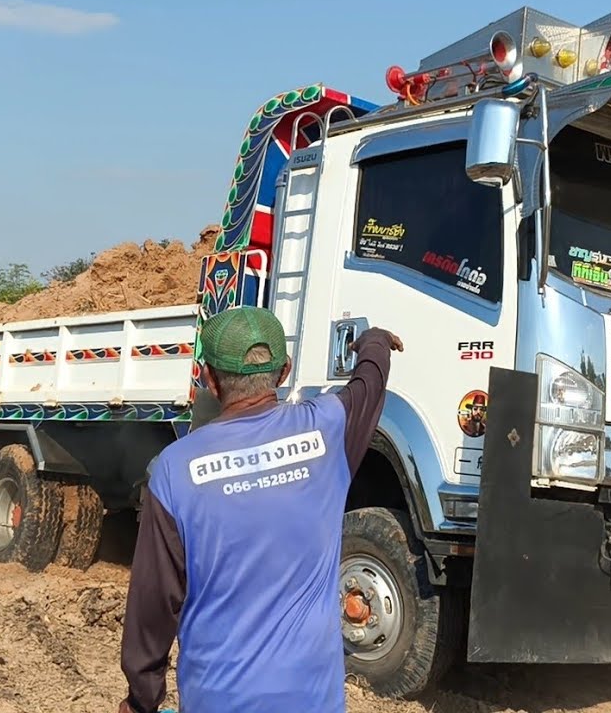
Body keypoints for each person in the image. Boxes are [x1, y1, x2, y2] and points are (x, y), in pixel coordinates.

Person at [117, 306, 403, 713]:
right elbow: (369, 384)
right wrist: (374, 342)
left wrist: (142, 700)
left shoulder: (174, 470)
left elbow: (154, 603)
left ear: (209, 378)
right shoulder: (328, 430)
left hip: (218, 699)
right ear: (284, 372)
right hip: (313, 701)